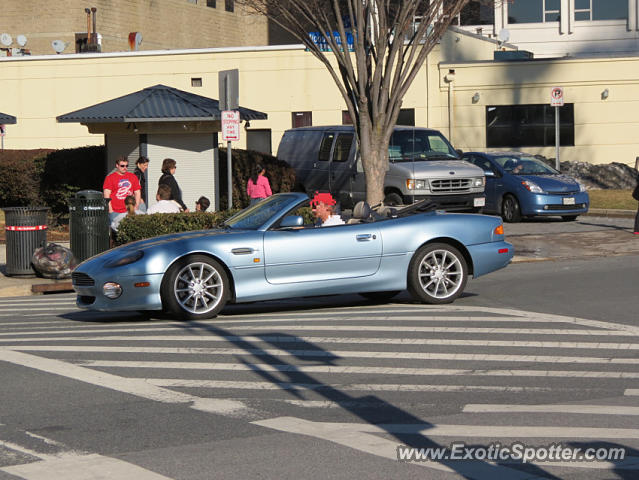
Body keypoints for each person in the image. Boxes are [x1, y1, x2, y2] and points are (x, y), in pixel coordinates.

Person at [103, 155, 142, 225]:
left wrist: (136, 207)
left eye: (127, 166)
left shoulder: (133, 177)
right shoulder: (110, 178)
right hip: (115, 212)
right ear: (117, 165)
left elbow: (137, 193)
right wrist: (110, 210)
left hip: (129, 211)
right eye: (122, 166)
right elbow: (106, 195)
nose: (125, 168)